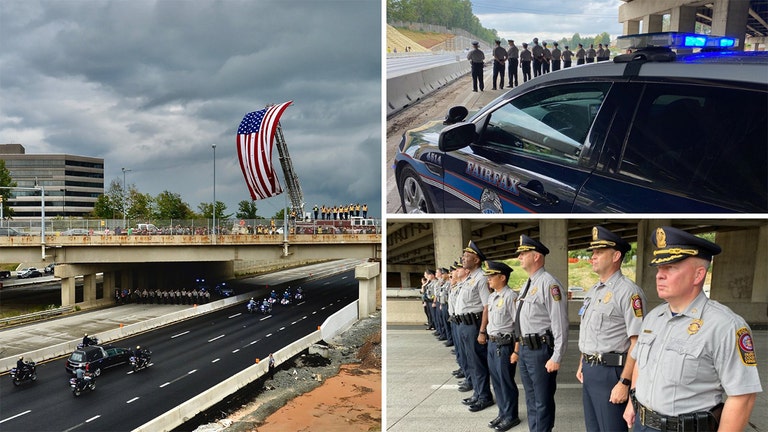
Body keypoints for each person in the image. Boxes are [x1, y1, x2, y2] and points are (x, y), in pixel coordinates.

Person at [623, 226, 762, 431]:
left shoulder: (726, 326)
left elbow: (743, 396)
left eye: (671, 267)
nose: (660, 275)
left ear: (698, 275)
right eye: (660, 268)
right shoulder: (653, 318)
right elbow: (640, 365)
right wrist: (632, 402)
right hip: (642, 425)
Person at [577, 226, 647, 432]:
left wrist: (625, 382)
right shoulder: (593, 291)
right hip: (591, 370)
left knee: (611, 428)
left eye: (599, 252)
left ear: (616, 256)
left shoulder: (629, 292)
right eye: (592, 252)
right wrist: (583, 360)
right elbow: (590, 331)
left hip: (612, 373)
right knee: (593, 427)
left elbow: (638, 342)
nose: (593, 257)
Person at [512, 234, 569, 432]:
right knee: (531, 398)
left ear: (536, 256)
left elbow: (560, 323)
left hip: (541, 350)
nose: (519, 257)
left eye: (523, 253)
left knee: (542, 400)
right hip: (527, 350)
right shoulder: (529, 284)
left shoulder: (549, 284)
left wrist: (557, 356)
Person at [455, 240, 493, 412]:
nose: (463, 259)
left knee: (478, 363)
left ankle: (484, 397)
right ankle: (477, 393)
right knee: (470, 361)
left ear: (476, 260)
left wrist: (482, 331)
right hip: (463, 323)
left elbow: (487, 306)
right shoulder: (469, 278)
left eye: (467, 256)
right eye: (463, 256)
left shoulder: (481, 278)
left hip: (474, 325)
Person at [484, 260, 521, 431]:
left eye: (492, 276)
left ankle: (511, 416)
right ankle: (503, 412)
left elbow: (518, 325)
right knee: (496, 382)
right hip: (492, 344)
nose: (489, 279)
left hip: (504, 346)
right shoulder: (492, 296)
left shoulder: (510, 297)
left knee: (506, 382)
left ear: (502, 277)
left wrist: (516, 351)